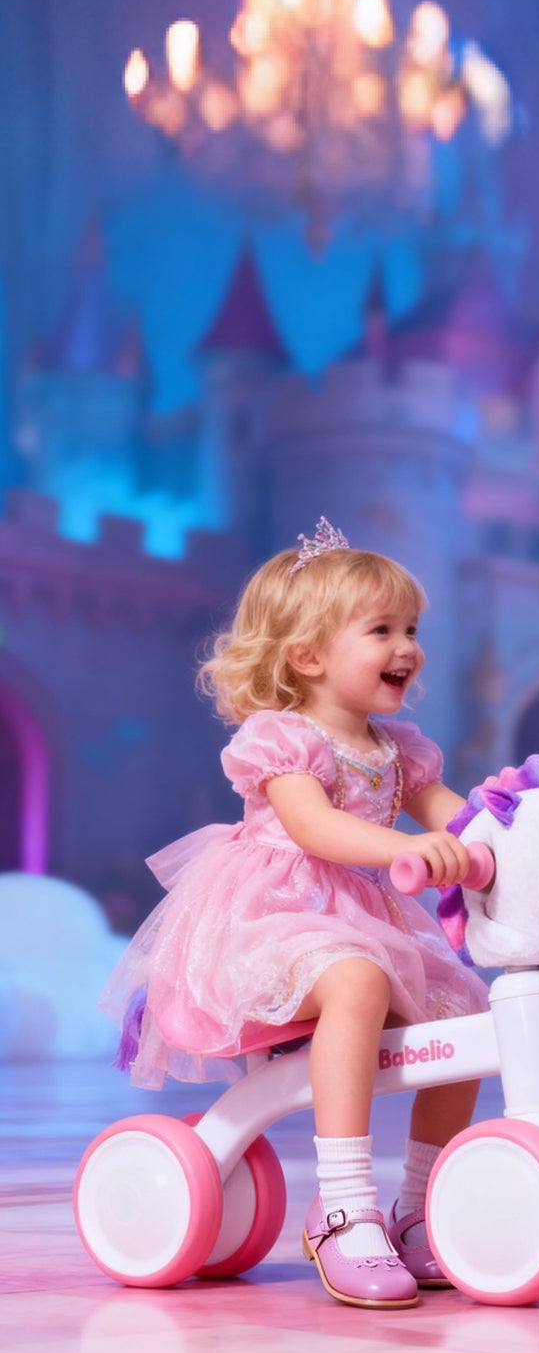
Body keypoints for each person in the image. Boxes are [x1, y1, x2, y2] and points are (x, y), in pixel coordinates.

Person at [103, 519, 487, 1307]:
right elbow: (313, 829)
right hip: (272, 919)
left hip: (368, 922)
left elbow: (460, 814)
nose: (407, 647)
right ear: (308, 657)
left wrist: (515, 828)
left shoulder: (400, 749)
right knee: (353, 978)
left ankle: (417, 1208)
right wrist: (401, 852)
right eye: (381, 630)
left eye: (411, 629)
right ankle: (346, 1205)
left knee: (467, 1008)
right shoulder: (285, 740)